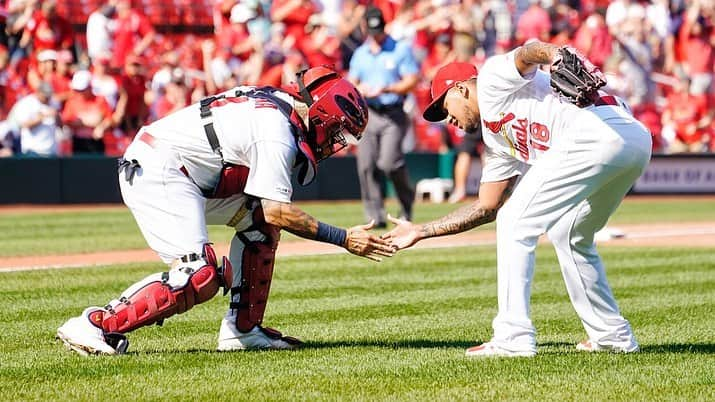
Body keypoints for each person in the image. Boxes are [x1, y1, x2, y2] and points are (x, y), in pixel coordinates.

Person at [56, 66, 394, 356]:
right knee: (199, 274)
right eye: (339, 131)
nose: (336, 142)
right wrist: (344, 238)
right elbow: (279, 211)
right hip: (161, 169)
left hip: (185, 172)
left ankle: (243, 330)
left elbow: (266, 212)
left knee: (259, 223)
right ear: (320, 112)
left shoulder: (276, 108)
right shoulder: (276, 131)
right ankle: (95, 324)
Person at [384, 42, 652, 357]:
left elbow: (528, 52)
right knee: (569, 234)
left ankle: (512, 337)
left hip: (599, 133)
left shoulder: (490, 80)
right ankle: (612, 336)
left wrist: (555, 56)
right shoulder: (497, 139)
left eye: (444, 107)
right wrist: (422, 230)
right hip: (632, 143)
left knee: (515, 221)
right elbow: (486, 206)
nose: (447, 119)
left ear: (461, 89)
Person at [348, 6, 419, 227]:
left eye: (378, 31)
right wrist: (361, 89)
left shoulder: (400, 49)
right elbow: (351, 83)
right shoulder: (360, 54)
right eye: (371, 32)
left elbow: (412, 80)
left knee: (389, 163)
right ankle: (375, 216)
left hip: (393, 112)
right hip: (368, 113)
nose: (375, 36)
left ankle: (406, 204)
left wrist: (386, 89)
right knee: (366, 166)